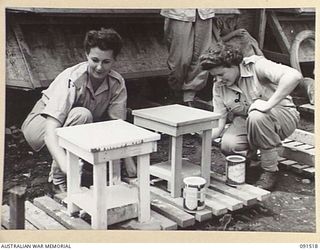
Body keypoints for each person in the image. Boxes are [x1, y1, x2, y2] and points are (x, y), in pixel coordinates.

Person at [21, 28, 127, 194]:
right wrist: (64, 165)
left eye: (106, 62)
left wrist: (129, 164)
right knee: (82, 115)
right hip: (41, 125)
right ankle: (58, 180)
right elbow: (50, 130)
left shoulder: (117, 83)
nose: (99, 67)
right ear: (86, 55)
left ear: (114, 60)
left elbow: (118, 126)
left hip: (74, 125)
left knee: (88, 120)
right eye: (95, 60)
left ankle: (82, 164)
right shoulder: (72, 77)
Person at [199, 42, 302, 190]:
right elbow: (219, 120)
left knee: (257, 116)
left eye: (221, 74)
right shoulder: (219, 86)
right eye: (214, 76)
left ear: (234, 65)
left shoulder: (256, 66)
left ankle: (270, 170)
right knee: (229, 144)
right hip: (249, 120)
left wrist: (267, 104)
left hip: (282, 116)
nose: (218, 80)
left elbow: (294, 76)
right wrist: (206, 138)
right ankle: (248, 165)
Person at [160, 9, 221, 105]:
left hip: (204, 11)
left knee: (202, 55)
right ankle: (175, 92)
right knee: (180, 57)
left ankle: (189, 97)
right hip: (179, 12)